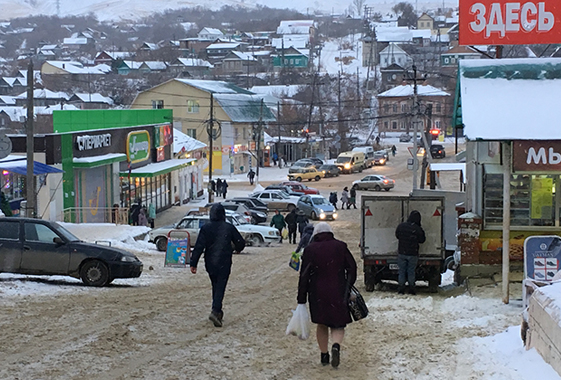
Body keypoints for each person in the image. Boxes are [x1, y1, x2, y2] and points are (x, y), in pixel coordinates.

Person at [297, 222, 357, 368]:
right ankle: (336, 345)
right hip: (338, 290)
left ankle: (324, 355)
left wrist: (301, 298)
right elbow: (352, 267)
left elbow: (304, 275)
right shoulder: (340, 246)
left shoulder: (310, 250)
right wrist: (348, 285)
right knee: (338, 323)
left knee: (322, 323)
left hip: (317, 292)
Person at [190, 204, 246, 327]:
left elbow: (199, 246)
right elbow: (240, 242)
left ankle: (218, 311)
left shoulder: (206, 228)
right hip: (224, 261)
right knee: (220, 286)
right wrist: (237, 248)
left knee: (215, 285)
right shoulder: (229, 227)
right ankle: (215, 311)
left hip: (210, 262)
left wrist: (193, 263)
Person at [395, 210, 426, 295]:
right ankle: (411, 288)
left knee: (401, 271)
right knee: (411, 271)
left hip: (402, 252)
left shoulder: (401, 226)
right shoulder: (417, 229)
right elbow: (422, 240)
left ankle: (401, 288)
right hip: (413, 254)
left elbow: (397, 235)